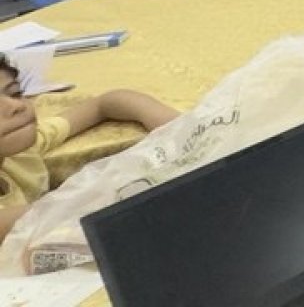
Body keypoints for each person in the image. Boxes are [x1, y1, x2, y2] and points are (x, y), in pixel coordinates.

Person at [0, 54, 177, 241]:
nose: (16, 106)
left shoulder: (20, 152)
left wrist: (179, 127)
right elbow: (58, 213)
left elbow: (105, 103)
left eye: (15, 93)